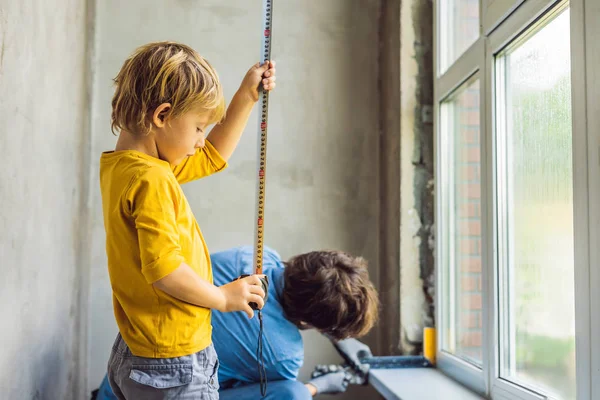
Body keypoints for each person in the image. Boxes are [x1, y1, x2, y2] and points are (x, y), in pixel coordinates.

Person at [99, 41, 276, 400]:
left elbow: (210, 155)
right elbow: (164, 272)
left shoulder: (126, 166)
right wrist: (223, 298)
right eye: (198, 128)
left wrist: (246, 96)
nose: (200, 141)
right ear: (162, 116)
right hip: (174, 364)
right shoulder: (153, 179)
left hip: (136, 351)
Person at [95, 246, 379, 399]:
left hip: (121, 375)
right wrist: (318, 386)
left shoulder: (253, 256)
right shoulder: (284, 357)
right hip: (160, 397)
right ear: (309, 321)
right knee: (295, 395)